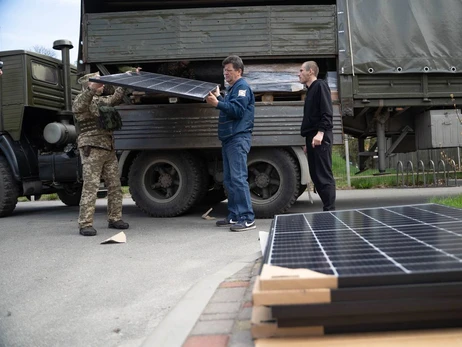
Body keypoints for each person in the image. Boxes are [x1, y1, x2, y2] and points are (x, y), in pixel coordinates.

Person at [72, 72, 130, 236]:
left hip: (108, 147)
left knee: (115, 186)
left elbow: (116, 97)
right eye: (98, 81)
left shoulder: (101, 100)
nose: (102, 84)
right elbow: (79, 107)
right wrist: (91, 89)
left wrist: (125, 78)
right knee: (91, 186)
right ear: (88, 84)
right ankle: (85, 224)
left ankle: (115, 218)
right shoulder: (81, 100)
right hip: (92, 148)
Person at [205, 55, 256, 232]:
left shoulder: (242, 87)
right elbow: (230, 105)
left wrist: (217, 103)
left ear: (239, 71)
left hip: (238, 138)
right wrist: (221, 97)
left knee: (238, 178)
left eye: (229, 70)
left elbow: (238, 111)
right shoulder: (233, 88)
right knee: (229, 180)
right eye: (224, 70)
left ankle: (247, 218)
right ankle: (234, 215)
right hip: (229, 140)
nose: (225, 73)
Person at [298, 61, 336, 211]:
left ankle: (330, 209)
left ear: (311, 71)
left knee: (323, 174)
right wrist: (308, 142)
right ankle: (327, 208)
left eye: (301, 70)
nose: (298, 74)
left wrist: (320, 133)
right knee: (315, 175)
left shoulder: (320, 86)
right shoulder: (310, 90)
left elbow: (326, 112)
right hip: (312, 138)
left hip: (320, 136)